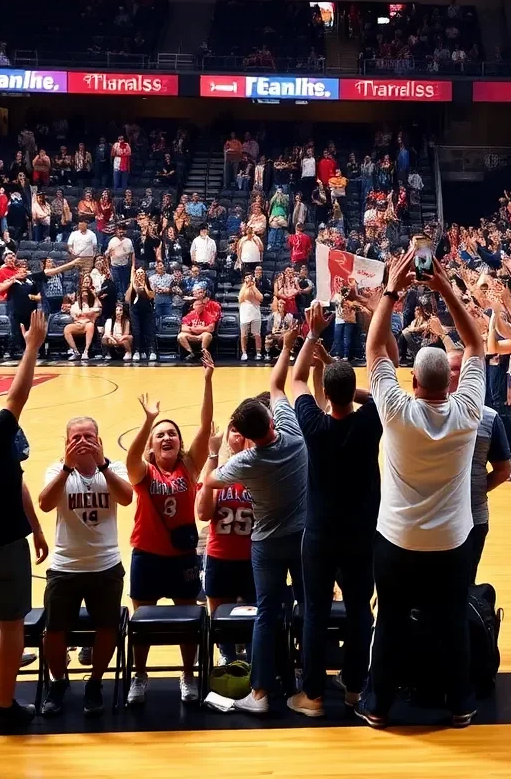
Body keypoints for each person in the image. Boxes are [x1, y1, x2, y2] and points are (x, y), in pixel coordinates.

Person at [357, 249, 486, 729]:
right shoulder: (467, 411)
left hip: (397, 538)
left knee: (389, 621)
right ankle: (460, 704)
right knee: (452, 620)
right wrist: (445, 288)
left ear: (412, 380)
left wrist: (392, 291)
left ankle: (377, 705)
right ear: (450, 383)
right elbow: (475, 348)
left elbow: (373, 352)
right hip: (452, 540)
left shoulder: (396, 410)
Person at [203, 329, 308, 716]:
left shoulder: (246, 462)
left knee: (266, 612)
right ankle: (305, 685)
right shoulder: (295, 435)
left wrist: (217, 456)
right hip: (301, 537)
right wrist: (288, 345)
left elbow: (211, 480)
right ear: (269, 417)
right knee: (305, 607)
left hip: (266, 542)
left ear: (244, 436)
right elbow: (278, 383)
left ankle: (260, 694)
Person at [287, 305, 382, 718]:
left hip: (321, 532)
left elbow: (294, 380)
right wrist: (337, 374)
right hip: (363, 531)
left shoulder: (314, 425)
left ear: (326, 391)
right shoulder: (371, 423)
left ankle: (312, 696)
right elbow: (378, 393)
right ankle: (355, 690)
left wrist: (312, 337)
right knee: (361, 608)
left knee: (315, 610)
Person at [123, 354, 214, 705]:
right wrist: (149, 421)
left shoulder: (189, 467)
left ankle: (188, 675)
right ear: (151, 445)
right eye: (161, 435)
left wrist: (207, 381)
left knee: (187, 619)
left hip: (181, 557)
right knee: (141, 621)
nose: (167, 438)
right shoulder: (144, 473)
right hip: (146, 555)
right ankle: (139, 676)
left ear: (179, 442)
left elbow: (205, 429)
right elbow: (132, 459)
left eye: (172, 434)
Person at [37, 416, 133, 716]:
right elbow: (45, 503)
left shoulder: (113, 468)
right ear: (66, 443)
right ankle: (58, 681)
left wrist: (102, 463)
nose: (82, 442)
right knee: (53, 631)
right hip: (65, 565)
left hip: (105, 565)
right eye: (76, 437)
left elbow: (127, 498)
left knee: (107, 628)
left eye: (88, 436)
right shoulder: (57, 470)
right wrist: (67, 467)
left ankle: (95, 682)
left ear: (99, 439)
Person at [0, 311, 48, 729]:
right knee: (12, 624)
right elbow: (17, 394)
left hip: (13, 535)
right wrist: (31, 346)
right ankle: (4, 704)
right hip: (6, 542)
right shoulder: (0, 429)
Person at [449, 348, 511, 581]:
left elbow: (503, 470)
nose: (449, 374)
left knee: (465, 584)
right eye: (447, 368)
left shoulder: (489, 418)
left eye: (455, 369)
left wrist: (474, 489)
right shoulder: (420, 411)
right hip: (431, 519)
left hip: (472, 518)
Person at [195, 424, 255, 666]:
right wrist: (212, 454)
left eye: (245, 430)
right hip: (220, 558)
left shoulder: (261, 474)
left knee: (254, 618)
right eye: (234, 429)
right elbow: (202, 512)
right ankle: (227, 659)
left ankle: (253, 663)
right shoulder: (219, 472)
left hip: (253, 559)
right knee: (221, 619)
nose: (239, 434)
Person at [125, 266, 157, 362]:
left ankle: (151, 351)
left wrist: (144, 286)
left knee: (149, 331)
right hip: (135, 311)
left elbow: (152, 296)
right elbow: (127, 299)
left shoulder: (149, 283)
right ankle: (137, 351)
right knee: (137, 331)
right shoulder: (132, 285)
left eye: (142, 273)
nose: (140, 275)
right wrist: (132, 284)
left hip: (147, 310)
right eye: (138, 273)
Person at [65, 277, 101, 361]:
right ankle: (76, 352)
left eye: (86, 293)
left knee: (90, 326)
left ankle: (86, 351)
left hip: (88, 324)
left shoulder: (93, 302)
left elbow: (98, 310)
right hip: (78, 324)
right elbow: (74, 314)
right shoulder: (77, 303)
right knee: (67, 329)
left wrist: (94, 296)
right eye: (83, 292)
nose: (85, 294)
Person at [177, 292, 220, 360]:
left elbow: (211, 329)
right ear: (193, 306)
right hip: (191, 334)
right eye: (197, 305)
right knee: (180, 336)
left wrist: (200, 329)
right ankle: (190, 352)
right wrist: (192, 329)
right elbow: (182, 327)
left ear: (203, 306)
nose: (199, 306)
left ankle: (203, 352)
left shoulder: (209, 315)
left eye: (200, 305)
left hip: (202, 335)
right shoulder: (190, 315)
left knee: (208, 335)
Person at [238, 272, 264, 362]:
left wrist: (253, 286)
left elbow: (260, 298)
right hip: (245, 313)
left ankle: (258, 352)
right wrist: (246, 285)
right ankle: (244, 352)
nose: (249, 279)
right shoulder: (243, 288)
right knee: (244, 335)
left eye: (250, 277)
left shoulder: (255, 287)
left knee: (257, 334)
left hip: (255, 313)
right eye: (247, 277)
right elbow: (240, 299)